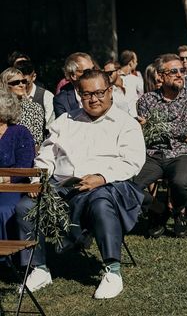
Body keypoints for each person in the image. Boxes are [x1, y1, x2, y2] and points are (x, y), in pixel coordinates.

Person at [16, 69, 145, 299]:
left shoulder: (126, 123)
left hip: (108, 185)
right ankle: (38, 268)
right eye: (86, 94)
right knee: (25, 208)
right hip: (64, 185)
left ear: (110, 91)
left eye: (99, 93)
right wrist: (39, 179)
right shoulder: (66, 120)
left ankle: (112, 271)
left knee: (100, 201)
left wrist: (102, 177)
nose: (93, 99)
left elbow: (133, 161)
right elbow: (47, 154)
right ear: (79, 94)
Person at [135, 54, 187, 238]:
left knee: (180, 182)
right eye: (173, 71)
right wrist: (182, 133)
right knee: (130, 185)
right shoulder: (146, 100)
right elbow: (179, 131)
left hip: (183, 154)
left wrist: (154, 125)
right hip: (153, 154)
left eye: (182, 70)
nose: (179, 75)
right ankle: (159, 211)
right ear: (160, 76)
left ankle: (179, 212)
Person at [0, 90, 36, 241]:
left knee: (3, 210)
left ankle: (6, 259)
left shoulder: (20, 132)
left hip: (13, 186)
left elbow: (24, 166)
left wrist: (3, 180)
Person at [0, 68, 45, 147]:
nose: (21, 85)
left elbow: (37, 140)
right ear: (5, 85)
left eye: (23, 81)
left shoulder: (35, 108)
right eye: (16, 82)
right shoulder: (2, 109)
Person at [14, 59, 55, 130]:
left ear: (34, 77)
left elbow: (50, 127)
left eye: (25, 82)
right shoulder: (9, 96)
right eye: (17, 82)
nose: (22, 85)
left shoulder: (46, 96)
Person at [53, 52, 94, 117]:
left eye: (93, 69)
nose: (93, 74)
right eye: (87, 71)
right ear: (73, 75)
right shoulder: (61, 101)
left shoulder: (104, 92)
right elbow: (64, 125)